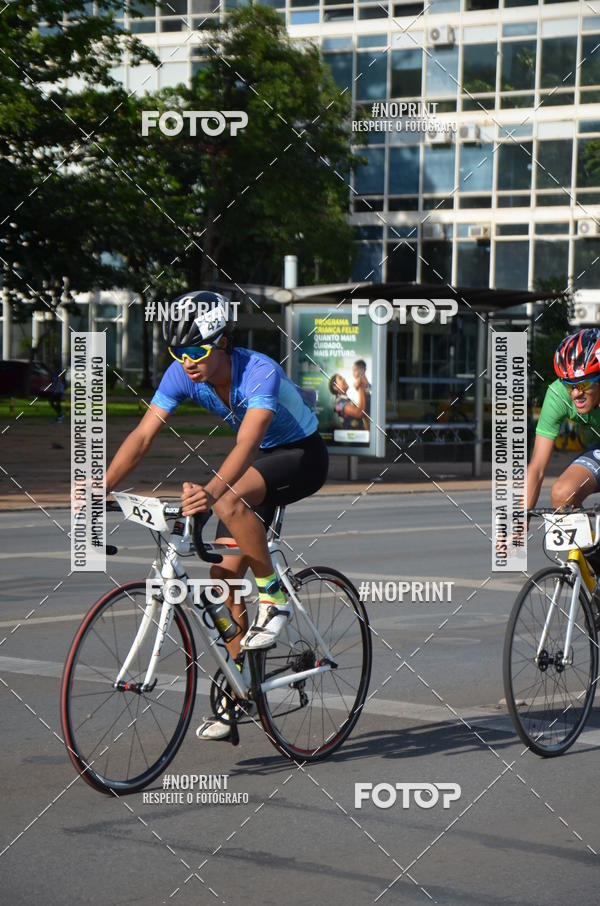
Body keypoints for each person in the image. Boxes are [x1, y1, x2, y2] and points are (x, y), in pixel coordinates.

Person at [104, 290, 329, 739]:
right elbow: (143, 436)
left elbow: (247, 444)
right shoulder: (182, 374)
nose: (187, 362)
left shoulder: (259, 371)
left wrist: (209, 492)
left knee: (226, 500)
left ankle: (274, 599)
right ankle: (241, 688)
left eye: (197, 350)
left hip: (301, 455)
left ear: (223, 341)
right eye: (178, 352)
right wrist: (101, 486)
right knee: (223, 579)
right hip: (259, 463)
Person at [527, 329, 600, 574]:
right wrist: (521, 516)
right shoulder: (559, 394)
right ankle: (595, 570)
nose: (575, 393)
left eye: (583, 384)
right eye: (569, 385)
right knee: (562, 494)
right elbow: (537, 466)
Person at [352, 359, 371, 431]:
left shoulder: (361, 380)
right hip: (365, 412)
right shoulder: (365, 382)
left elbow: (355, 385)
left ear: (362, 370)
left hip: (366, 413)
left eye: (355, 370)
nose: (353, 373)